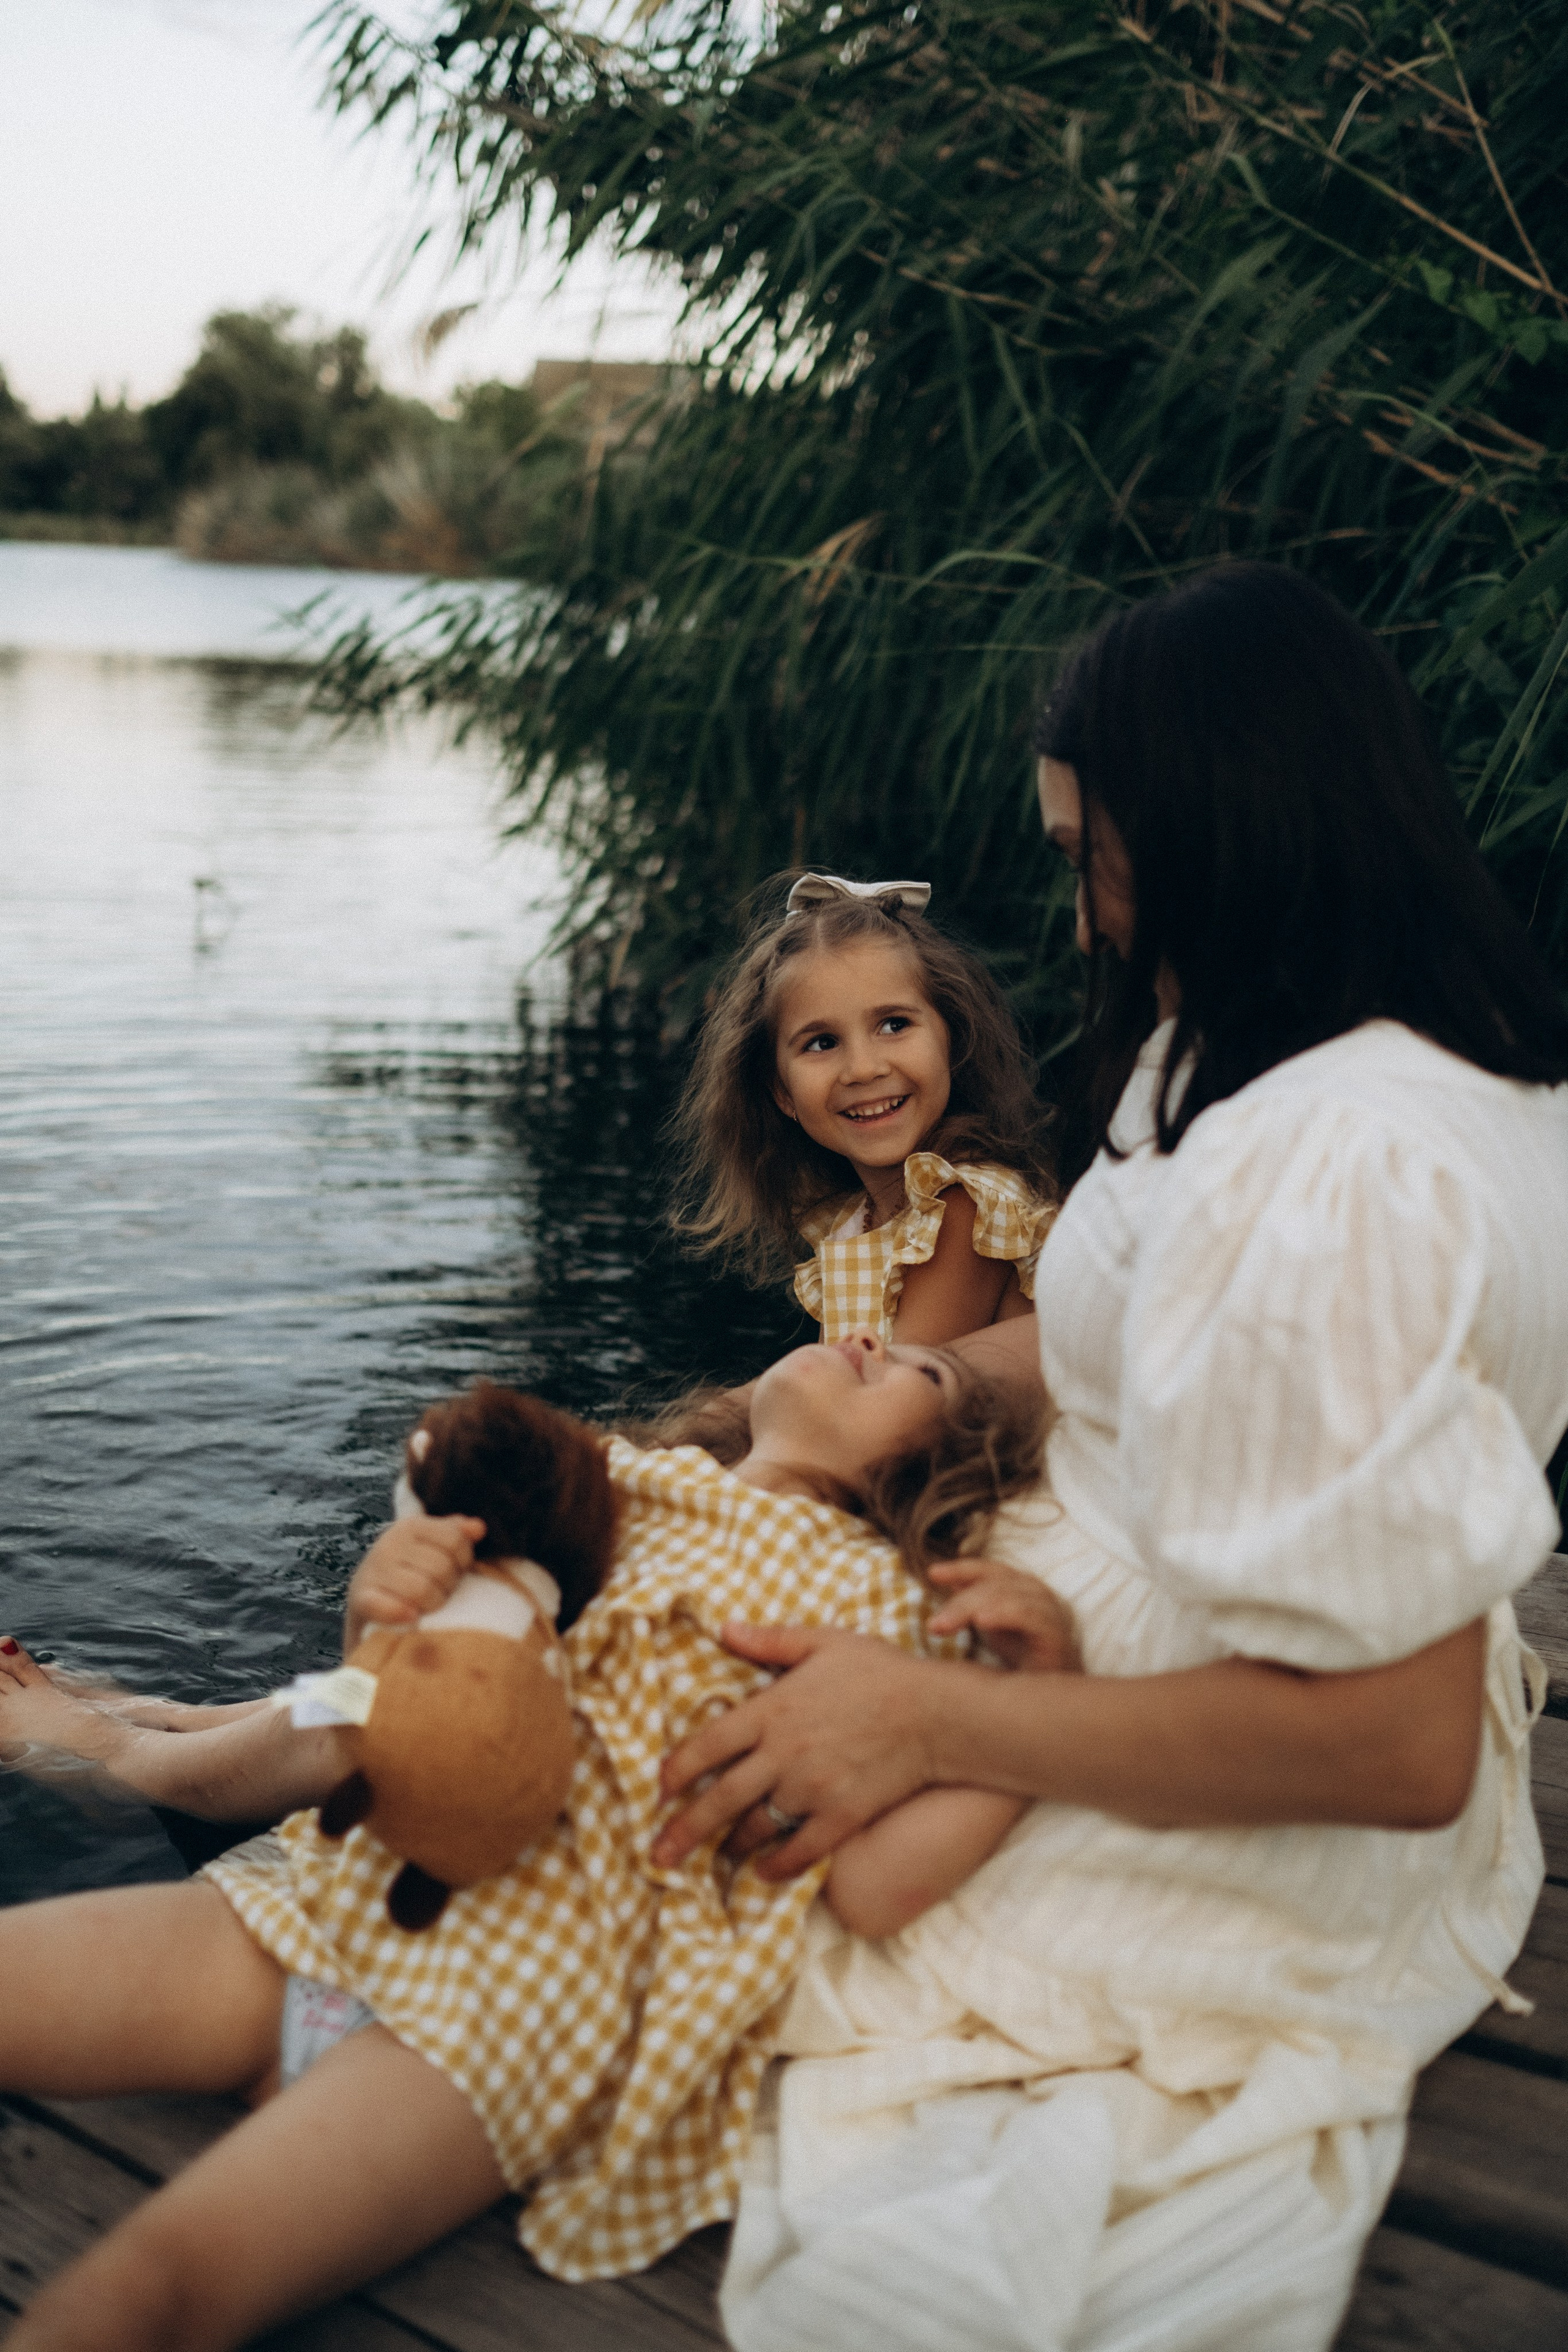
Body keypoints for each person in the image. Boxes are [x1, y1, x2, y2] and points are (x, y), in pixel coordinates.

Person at [650, 564, 1568, 2352]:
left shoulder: (1337, 1169)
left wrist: (919, 1718)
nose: (1078, 906)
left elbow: (1381, 1734)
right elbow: (1164, 1363)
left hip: (1202, 1763)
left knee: (650, 1892)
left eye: (1090, 850)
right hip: (1077, 1618)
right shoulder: (1393, 1068)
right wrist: (897, 1390)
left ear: (1211, 824)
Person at [0, 1332, 1065, 2351]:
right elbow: (412, 1692)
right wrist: (382, 1602)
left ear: (940, 1469)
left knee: (151, 2296)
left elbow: (873, 1889)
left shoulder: (889, 1611)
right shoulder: (601, 1485)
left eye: (919, 1368)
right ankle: (150, 1728)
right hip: (322, 1904)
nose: (874, 1343)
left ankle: (120, 1742)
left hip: (502, 2022)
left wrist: (1034, 1701)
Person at [671, 870, 1058, 1344]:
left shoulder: (968, 1206)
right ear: (783, 1093)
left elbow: (893, 1398)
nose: (862, 1069)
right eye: (822, 1042)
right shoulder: (856, 1219)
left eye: (894, 1025)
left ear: (952, 1042)